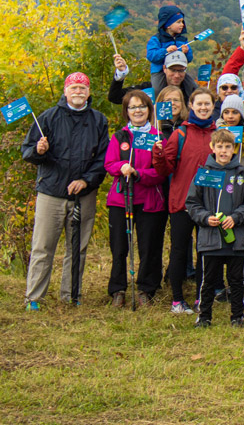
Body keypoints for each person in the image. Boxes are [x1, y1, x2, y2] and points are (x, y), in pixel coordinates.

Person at [22, 72, 110, 309]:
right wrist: (38, 151)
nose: (78, 92)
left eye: (83, 88)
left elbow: (103, 158)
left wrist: (86, 181)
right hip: (51, 192)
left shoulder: (99, 120)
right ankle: (34, 298)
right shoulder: (47, 118)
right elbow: (27, 151)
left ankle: (71, 296)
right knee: (43, 246)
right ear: (65, 91)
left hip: (83, 194)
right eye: (74, 88)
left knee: (78, 248)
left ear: (88, 92)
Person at [152, 87, 219, 314]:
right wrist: (158, 155)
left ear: (212, 106)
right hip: (181, 202)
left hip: (209, 204)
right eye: (199, 104)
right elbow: (165, 168)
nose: (203, 108)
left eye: (207, 104)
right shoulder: (180, 134)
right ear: (191, 105)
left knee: (205, 252)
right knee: (179, 251)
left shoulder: (218, 134)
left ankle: (202, 297)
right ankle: (177, 299)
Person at [186, 128, 244, 327]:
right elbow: (192, 203)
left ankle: (237, 317)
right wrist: (205, 218)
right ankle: (204, 317)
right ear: (212, 147)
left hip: (236, 238)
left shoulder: (242, 175)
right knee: (208, 281)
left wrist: (236, 218)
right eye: (220, 147)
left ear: (234, 149)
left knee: (236, 281)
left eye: (228, 147)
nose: (224, 151)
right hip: (210, 238)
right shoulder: (203, 174)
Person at [104, 90, 168, 309]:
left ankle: (146, 289)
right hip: (122, 198)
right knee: (119, 246)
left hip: (149, 198)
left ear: (149, 110)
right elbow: (109, 163)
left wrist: (141, 174)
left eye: (142, 106)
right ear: (126, 111)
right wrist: (121, 167)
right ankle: (118, 289)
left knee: (149, 246)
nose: (137, 110)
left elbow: (163, 170)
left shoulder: (158, 136)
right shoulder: (119, 136)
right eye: (133, 107)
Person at [110, 50, 196, 105]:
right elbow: (115, 97)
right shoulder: (149, 89)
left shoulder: (191, 92)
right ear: (164, 69)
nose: (177, 75)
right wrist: (121, 73)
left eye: (181, 70)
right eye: (173, 70)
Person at [146, 5, 192, 92]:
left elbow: (189, 59)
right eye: (178, 22)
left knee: (192, 87)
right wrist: (165, 51)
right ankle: (157, 105)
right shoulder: (156, 39)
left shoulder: (182, 40)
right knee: (157, 90)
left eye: (182, 22)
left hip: (179, 70)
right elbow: (151, 55)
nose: (182, 25)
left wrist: (186, 52)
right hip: (159, 71)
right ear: (168, 25)